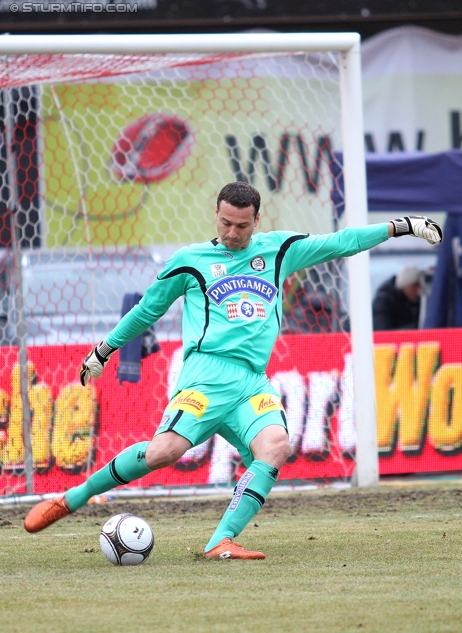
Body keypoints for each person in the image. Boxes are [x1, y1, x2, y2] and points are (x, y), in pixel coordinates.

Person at [23, 184, 443, 559]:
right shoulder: (191, 261)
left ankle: (220, 540)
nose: (232, 233)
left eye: (241, 226)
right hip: (204, 377)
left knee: (276, 445)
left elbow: (341, 241)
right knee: (163, 452)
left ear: (256, 220)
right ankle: (74, 497)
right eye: (226, 223)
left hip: (251, 382)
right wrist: (104, 349)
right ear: (216, 215)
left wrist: (400, 226)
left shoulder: (278, 250)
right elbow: (148, 309)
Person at [373, 265, 423, 331]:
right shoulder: (384, 303)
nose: (419, 290)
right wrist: (417, 328)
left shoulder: (423, 300)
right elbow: (382, 333)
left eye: (421, 286)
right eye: (414, 286)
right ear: (404, 286)